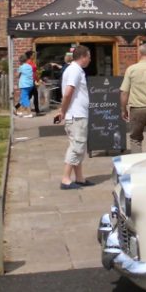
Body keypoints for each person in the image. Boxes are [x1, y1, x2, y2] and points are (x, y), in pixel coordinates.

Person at [54, 45, 91, 190]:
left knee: (78, 146)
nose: (90, 59)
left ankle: (79, 178)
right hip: (77, 115)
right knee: (77, 147)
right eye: (89, 56)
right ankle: (66, 179)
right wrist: (62, 111)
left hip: (76, 114)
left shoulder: (73, 69)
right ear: (83, 56)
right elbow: (68, 92)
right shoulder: (75, 70)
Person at [25, 50, 41, 115]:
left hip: (32, 81)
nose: (34, 56)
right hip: (30, 82)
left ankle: (36, 110)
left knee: (32, 96)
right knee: (32, 96)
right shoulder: (28, 63)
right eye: (33, 55)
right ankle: (36, 111)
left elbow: (34, 73)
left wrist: (37, 79)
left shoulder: (32, 62)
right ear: (30, 56)